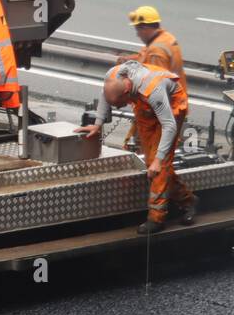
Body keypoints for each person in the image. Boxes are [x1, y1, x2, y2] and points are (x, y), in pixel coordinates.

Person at [76, 60, 197, 234]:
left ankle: (157, 218)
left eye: (120, 104)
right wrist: (98, 124)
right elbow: (105, 95)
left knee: (159, 166)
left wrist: (159, 159)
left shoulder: (153, 90)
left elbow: (169, 126)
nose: (118, 107)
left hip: (170, 107)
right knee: (151, 164)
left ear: (127, 92)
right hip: (144, 106)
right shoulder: (112, 77)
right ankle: (188, 201)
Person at [115, 5, 186, 149]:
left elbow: (155, 87)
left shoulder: (156, 51)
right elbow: (145, 58)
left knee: (146, 155)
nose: (137, 34)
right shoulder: (164, 39)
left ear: (145, 28)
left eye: (138, 30)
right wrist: (129, 60)